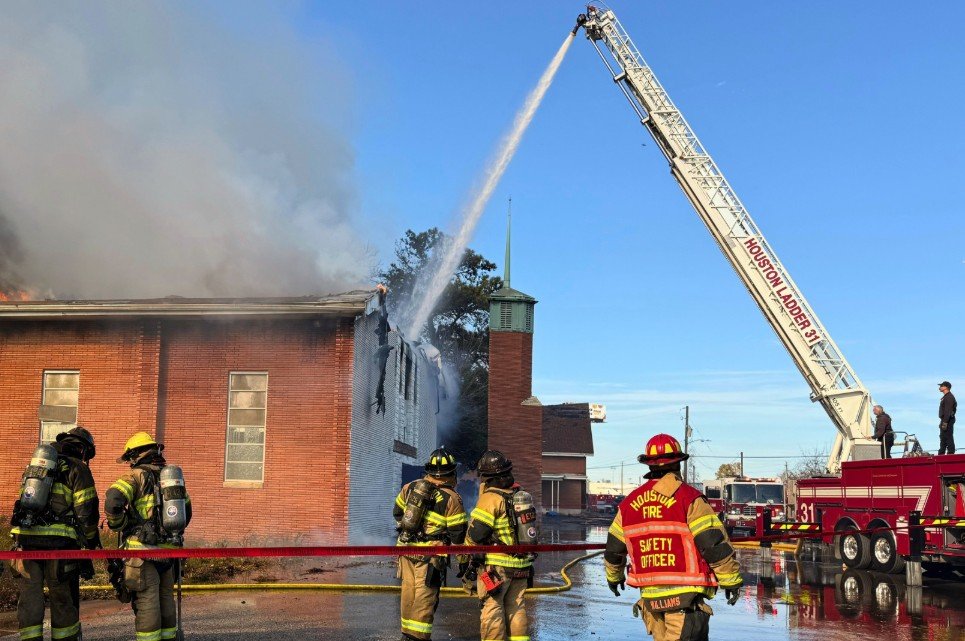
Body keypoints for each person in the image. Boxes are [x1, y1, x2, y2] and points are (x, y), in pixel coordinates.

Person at [605, 434, 743, 641]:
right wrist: (730, 579)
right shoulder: (689, 499)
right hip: (685, 598)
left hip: (650, 599)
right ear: (678, 463)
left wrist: (614, 577)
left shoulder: (629, 505)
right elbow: (712, 544)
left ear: (649, 465)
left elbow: (614, 548)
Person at [9, 427, 100, 641]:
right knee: (62, 598)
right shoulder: (78, 468)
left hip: (25, 542)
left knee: (30, 598)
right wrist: (91, 541)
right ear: (83, 449)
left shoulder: (35, 466)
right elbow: (86, 511)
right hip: (60, 546)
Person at [105, 432, 192, 641]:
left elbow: (113, 501)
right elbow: (187, 514)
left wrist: (120, 525)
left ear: (135, 455)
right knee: (166, 598)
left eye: (130, 458)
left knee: (147, 600)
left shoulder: (135, 476)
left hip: (142, 552)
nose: (130, 463)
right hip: (169, 554)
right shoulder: (173, 480)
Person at [393, 447, 468, 641]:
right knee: (425, 597)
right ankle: (418, 637)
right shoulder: (452, 499)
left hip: (406, 549)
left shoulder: (410, 487)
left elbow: (397, 512)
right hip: (431, 556)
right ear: (451, 473)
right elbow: (458, 536)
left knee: (408, 592)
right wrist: (464, 563)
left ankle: (407, 635)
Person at [465, 450, 533, 641]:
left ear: (488, 477)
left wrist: (466, 551)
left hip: (497, 566)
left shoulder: (491, 498)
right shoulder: (520, 495)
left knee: (492, 608)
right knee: (516, 607)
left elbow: (477, 534)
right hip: (522, 564)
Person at [938, 381, 956, 455]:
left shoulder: (949, 397)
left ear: (946, 387)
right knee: (943, 437)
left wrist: (945, 422)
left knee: (948, 436)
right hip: (945, 419)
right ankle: (941, 453)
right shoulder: (946, 397)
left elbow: (948, 411)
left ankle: (950, 453)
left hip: (947, 420)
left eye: (941, 386)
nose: (940, 387)